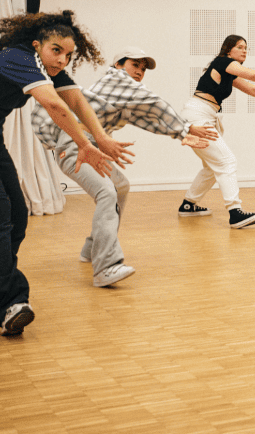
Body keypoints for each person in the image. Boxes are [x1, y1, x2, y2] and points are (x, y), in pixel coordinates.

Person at [0, 11, 133, 336]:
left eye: (69, 55)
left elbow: (77, 101)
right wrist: (84, 143)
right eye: (56, 51)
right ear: (37, 44)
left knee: (16, 214)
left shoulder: (44, 65)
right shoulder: (18, 59)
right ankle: (12, 303)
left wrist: (103, 138)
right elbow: (55, 106)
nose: (62, 60)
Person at [31, 47, 217, 287]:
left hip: (92, 147)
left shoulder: (124, 95)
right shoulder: (117, 79)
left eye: (142, 69)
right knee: (106, 192)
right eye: (134, 65)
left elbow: (146, 119)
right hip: (75, 146)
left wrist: (178, 133)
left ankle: (91, 248)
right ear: (118, 65)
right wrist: (185, 128)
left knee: (119, 186)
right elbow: (155, 103)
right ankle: (106, 266)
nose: (139, 71)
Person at [178, 35, 255, 228]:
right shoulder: (223, 62)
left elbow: (253, 89)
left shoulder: (228, 73)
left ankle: (188, 205)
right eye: (240, 47)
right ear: (228, 50)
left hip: (203, 115)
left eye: (246, 48)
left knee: (212, 166)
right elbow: (251, 75)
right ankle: (235, 213)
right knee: (227, 161)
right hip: (198, 116)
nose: (244, 51)